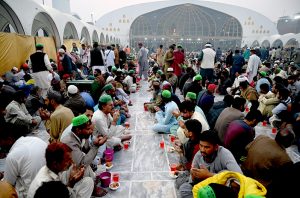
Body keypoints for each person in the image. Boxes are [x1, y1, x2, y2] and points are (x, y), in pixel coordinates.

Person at [179, 130, 242, 198]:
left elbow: (239, 178)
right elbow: (192, 182)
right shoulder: (199, 155)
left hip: (220, 189)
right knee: (184, 187)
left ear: (216, 147)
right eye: (201, 145)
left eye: (207, 147)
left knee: (224, 173)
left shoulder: (225, 154)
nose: (202, 150)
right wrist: (194, 176)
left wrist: (209, 175)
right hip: (205, 187)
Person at [27, 142, 94, 198]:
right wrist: (71, 183)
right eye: (68, 160)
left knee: (88, 182)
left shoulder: (52, 169)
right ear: (55, 164)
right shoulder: (46, 185)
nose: (71, 162)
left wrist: (71, 181)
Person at [61, 114, 107, 188]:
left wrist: (95, 143)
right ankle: (93, 186)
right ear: (78, 130)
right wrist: (96, 146)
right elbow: (82, 163)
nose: (91, 132)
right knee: (84, 166)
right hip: (66, 172)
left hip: (77, 162)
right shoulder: (69, 142)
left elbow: (87, 150)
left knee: (98, 167)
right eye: (88, 129)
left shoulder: (81, 135)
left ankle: (93, 179)